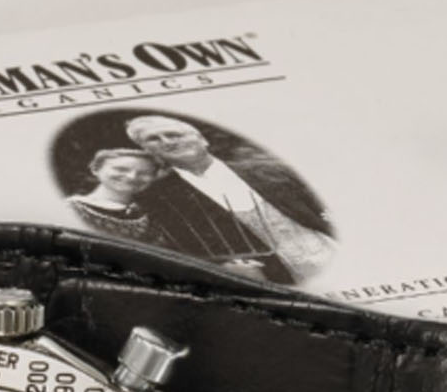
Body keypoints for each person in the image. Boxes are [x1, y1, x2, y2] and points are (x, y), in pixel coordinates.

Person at [123, 114, 336, 283]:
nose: (168, 142)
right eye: (153, 139)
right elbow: (170, 252)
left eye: (174, 134)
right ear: (147, 151)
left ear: (202, 139)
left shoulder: (269, 167)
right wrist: (219, 267)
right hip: (274, 280)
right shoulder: (155, 198)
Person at [64, 148, 169, 244]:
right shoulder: (73, 209)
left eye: (145, 173)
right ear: (95, 169)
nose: (132, 177)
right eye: (121, 169)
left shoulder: (146, 216)